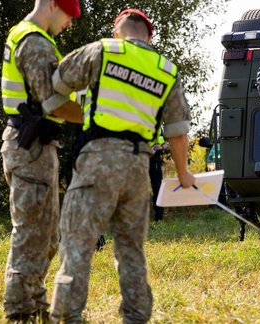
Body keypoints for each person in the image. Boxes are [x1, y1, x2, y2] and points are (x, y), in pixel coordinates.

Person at [49, 8, 196, 323]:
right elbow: (177, 131)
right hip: (138, 166)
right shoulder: (166, 70)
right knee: (131, 249)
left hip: (98, 158)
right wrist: (183, 174)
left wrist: (68, 110)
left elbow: (55, 83)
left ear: (118, 30)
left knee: (77, 241)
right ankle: (137, 316)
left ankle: (67, 316)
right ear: (149, 36)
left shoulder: (102, 50)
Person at [0, 0, 82, 322]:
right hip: (30, 148)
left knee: (46, 236)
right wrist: (97, 117)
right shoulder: (33, 42)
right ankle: (21, 312)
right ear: (51, 4)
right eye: (68, 15)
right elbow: (55, 103)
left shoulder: (32, 37)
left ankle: (34, 305)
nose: (70, 24)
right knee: (31, 234)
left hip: (35, 147)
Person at [150, 126, 168, 221]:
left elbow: (165, 142)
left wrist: (162, 146)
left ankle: (159, 218)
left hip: (155, 161)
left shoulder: (159, 127)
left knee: (158, 189)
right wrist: (152, 149)